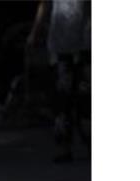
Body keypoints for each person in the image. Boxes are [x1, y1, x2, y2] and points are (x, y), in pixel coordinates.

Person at [27, 0, 91, 163]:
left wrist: (35, 32)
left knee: (83, 97)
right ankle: (65, 146)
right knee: (64, 98)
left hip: (84, 43)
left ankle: (84, 143)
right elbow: (45, 4)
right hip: (63, 44)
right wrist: (35, 32)